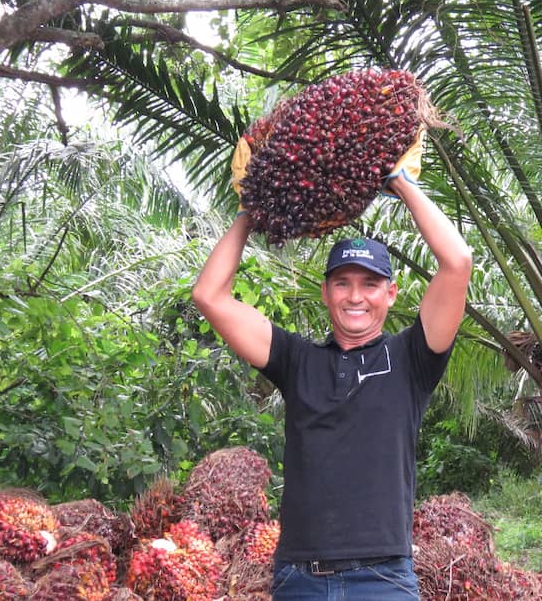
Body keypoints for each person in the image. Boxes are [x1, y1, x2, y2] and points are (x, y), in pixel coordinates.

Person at [192, 128, 472, 600]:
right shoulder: (296, 360)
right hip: (299, 578)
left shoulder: (412, 358)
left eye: (369, 283)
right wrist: (248, 210)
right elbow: (208, 295)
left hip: (383, 580)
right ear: (326, 293)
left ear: (390, 293)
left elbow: (458, 262)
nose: (355, 296)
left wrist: (401, 182)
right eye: (342, 283)